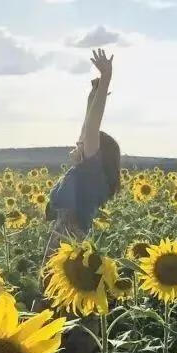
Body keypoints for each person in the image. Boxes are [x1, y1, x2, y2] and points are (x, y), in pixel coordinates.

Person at [42, 48, 121, 260]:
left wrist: (105, 81)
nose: (78, 143)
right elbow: (87, 130)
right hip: (63, 242)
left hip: (68, 247)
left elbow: (92, 128)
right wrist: (91, 96)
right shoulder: (87, 172)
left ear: (96, 152)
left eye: (84, 143)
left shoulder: (91, 173)